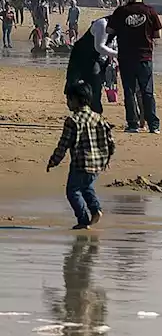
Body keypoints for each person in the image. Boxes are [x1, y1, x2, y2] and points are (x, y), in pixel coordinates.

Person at [47, 80, 114, 230]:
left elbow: (63, 144)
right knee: (87, 186)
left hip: (80, 162)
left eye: (68, 99)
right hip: (98, 163)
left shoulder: (73, 121)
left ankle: (83, 219)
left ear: (76, 100)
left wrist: (54, 160)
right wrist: (108, 158)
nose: (67, 103)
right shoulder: (99, 118)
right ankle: (96, 209)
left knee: (73, 191)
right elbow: (111, 141)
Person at [107, 0, 162, 134]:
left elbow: (109, 30)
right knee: (147, 92)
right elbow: (158, 34)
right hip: (145, 56)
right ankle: (153, 125)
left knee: (129, 91)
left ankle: (132, 124)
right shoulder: (150, 11)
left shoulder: (121, 11)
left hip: (126, 57)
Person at [65, 17, 116, 114]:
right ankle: (76, 111)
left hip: (94, 59)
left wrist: (113, 59)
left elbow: (111, 46)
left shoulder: (117, 29)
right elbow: (100, 47)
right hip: (79, 56)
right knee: (72, 85)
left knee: (96, 86)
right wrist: (119, 55)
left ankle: (96, 114)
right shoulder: (102, 24)